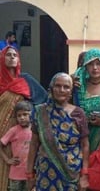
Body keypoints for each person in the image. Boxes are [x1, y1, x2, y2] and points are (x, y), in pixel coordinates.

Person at [26, 72, 89, 190]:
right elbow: (34, 144)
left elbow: (85, 145)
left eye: (66, 87)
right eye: (58, 86)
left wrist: (84, 174)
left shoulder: (78, 113)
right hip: (46, 171)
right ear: (51, 88)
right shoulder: (41, 112)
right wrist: (29, 174)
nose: (61, 90)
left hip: (71, 172)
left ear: (71, 92)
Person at [0, 46, 47, 191]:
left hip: (22, 134)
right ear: (2, 58)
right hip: (3, 133)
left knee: (19, 168)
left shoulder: (26, 80)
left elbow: (43, 100)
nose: (12, 57)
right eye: (8, 55)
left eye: (15, 55)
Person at [0, 101, 32, 191]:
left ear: (32, 114)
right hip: (16, 174)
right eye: (19, 115)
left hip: (31, 174)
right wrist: (7, 160)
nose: (22, 118)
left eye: (25, 114)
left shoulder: (36, 130)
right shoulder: (14, 130)